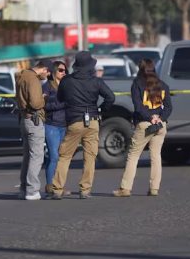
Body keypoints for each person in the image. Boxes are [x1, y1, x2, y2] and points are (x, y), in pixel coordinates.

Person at [51, 51, 115, 199]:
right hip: (92, 120)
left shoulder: (67, 81)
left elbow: (60, 98)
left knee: (65, 156)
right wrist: (101, 110)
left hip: (74, 121)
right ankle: (85, 190)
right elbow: (110, 97)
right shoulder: (96, 81)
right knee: (90, 157)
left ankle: (57, 189)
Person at [113, 58, 172, 197]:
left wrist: (150, 117)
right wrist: (160, 118)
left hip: (145, 124)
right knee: (156, 156)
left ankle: (125, 188)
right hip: (160, 125)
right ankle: (154, 188)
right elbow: (169, 107)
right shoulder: (163, 85)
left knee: (133, 156)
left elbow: (138, 107)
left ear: (140, 69)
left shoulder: (137, 84)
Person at [15, 60, 52, 201]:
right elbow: (36, 103)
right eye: (47, 73)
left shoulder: (22, 76)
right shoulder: (34, 80)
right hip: (34, 120)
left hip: (24, 119)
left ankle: (23, 189)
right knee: (37, 156)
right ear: (44, 69)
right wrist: (43, 98)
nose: (47, 76)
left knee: (28, 157)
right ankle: (32, 190)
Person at [42, 60, 68, 196]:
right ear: (54, 72)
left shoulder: (66, 86)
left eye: (65, 70)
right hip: (51, 125)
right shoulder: (47, 87)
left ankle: (59, 186)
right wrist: (62, 104)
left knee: (62, 157)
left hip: (64, 125)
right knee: (53, 156)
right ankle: (49, 185)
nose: (64, 72)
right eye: (61, 70)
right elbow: (45, 105)